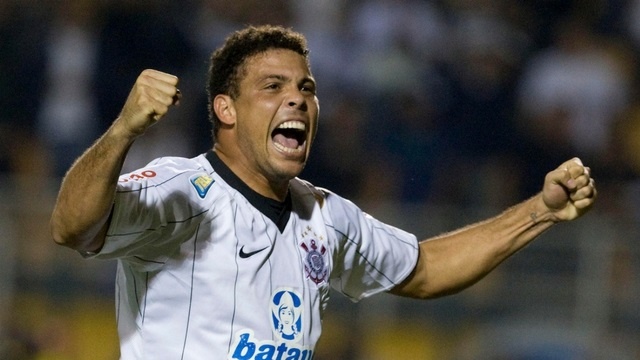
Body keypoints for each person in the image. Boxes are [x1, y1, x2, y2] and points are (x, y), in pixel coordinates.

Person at [50, 25, 597, 359]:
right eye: (273, 87)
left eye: (306, 88)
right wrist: (123, 129)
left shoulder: (326, 217)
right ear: (225, 109)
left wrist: (540, 211)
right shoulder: (182, 189)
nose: (298, 100)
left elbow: (426, 269)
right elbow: (71, 227)